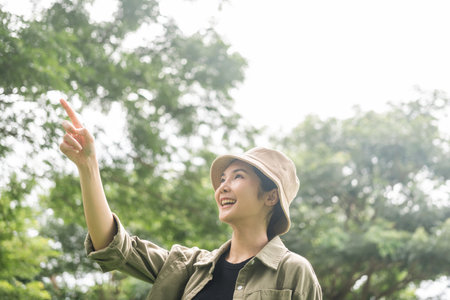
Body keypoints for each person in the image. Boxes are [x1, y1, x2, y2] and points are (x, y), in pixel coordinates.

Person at [59, 98, 322, 300]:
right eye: (222, 180)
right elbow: (113, 246)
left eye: (238, 177)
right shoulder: (190, 267)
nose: (223, 188)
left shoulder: (293, 272)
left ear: (271, 196)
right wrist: (88, 166)